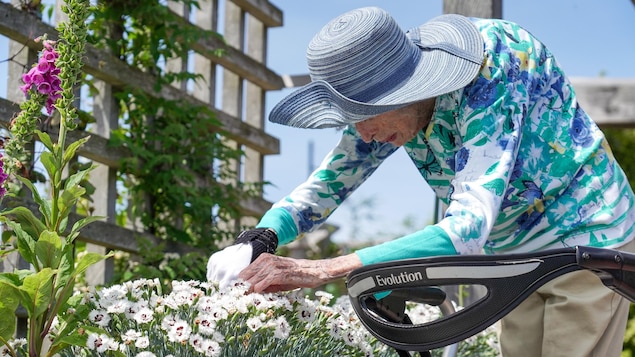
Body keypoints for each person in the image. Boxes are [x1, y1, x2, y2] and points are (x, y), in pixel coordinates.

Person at [207, 6, 635, 357]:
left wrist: (322, 269)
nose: (363, 135)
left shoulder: (496, 68)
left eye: (364, 117)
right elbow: (329, 182)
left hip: (586, 233)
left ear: (407, 90)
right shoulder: (379, 114)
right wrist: (260, 238)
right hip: (511, 251)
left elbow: (466, 230)